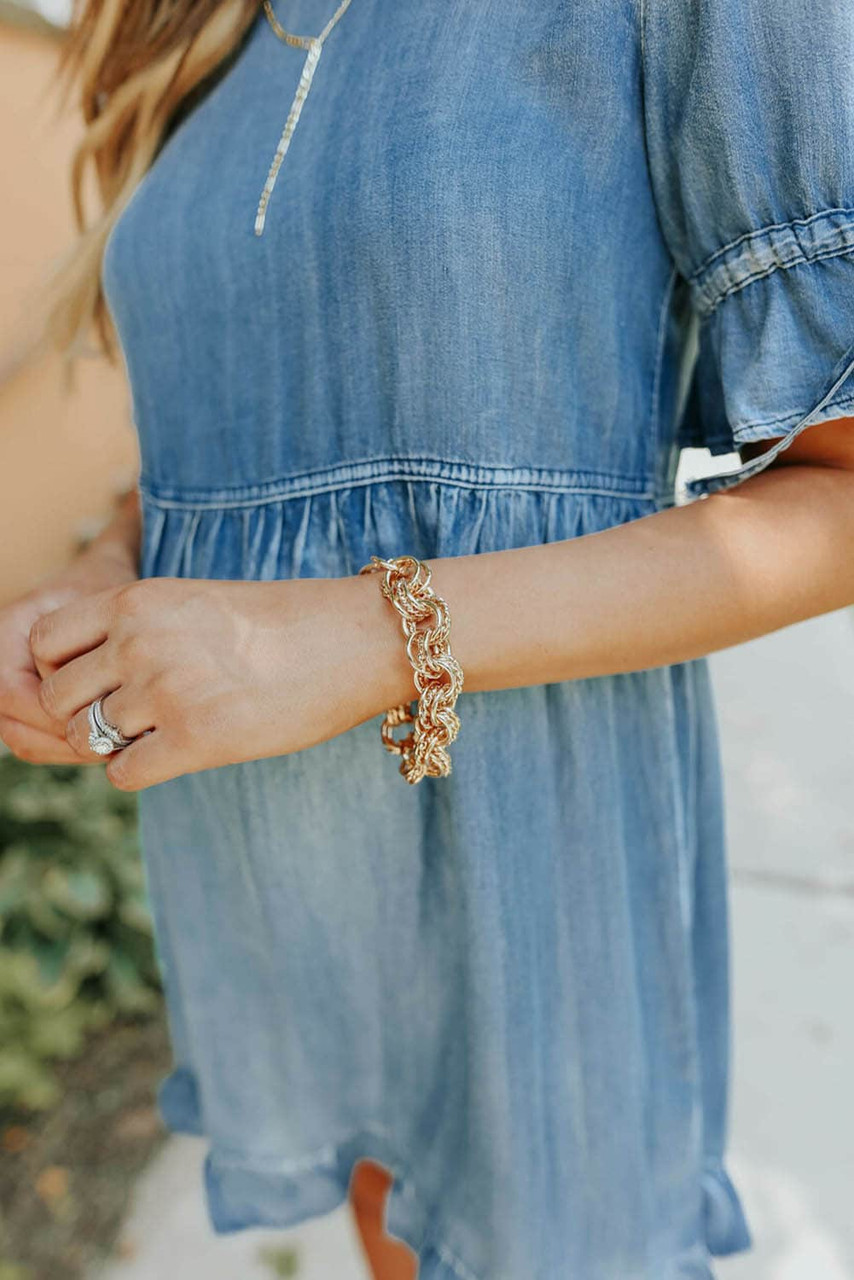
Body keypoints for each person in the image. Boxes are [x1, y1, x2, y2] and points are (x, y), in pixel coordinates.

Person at [2, 0, 854, 1276]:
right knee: (384, 1216)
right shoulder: (195, 29)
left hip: (518, 847)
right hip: (269, 853)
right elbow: (242, 419)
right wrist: (99, 563)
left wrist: (361, 636)